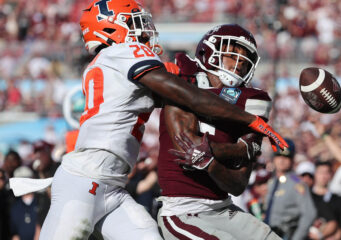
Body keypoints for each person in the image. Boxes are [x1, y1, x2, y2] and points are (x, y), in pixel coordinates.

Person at [36, 1, 287, 240]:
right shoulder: (122, 51)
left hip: (112, 187)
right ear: (112, 27)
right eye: (135, 23)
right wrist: (250, 120)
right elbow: (190, 96)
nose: (144, 30)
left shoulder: (114, 63)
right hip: (84, 179)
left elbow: (191, 92)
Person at [157, 24, 281, 239]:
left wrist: (211, 161)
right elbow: (189, 149)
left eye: (245, 59)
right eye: (233, 54)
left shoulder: (251, 101)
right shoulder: (182, 82)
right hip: (182, 211)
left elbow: (238, 184)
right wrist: (237, 150)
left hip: (224, 208)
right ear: (209, 52)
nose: (240, 63)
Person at [263, 139, 316, 240]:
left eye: (286, 157)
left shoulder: (297, 184)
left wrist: (296, 238)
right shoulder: (272, 182)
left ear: (292, 160)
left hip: (285, 234)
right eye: (279, 156)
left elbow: (309, 214)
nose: (282, 160)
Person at [308, 161, 341, 240]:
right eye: (320, 172)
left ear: (331, 175)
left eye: (326, 172)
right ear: (315, 174)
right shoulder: (307, 197)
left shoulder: (337, 199)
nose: (323, 176)